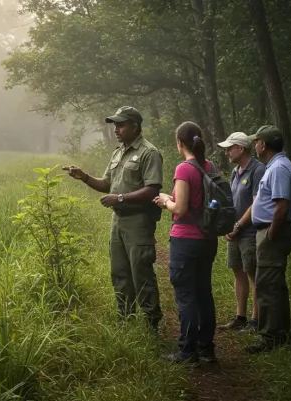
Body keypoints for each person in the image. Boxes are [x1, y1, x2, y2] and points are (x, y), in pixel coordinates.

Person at [63, 106, 163, 331]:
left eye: (121, 125)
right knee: (119, 273)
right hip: (118, 222)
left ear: (135, 127)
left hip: (138, 221)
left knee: (141, 273)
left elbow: (152, 190)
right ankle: (125, 320)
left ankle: (151, 325)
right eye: (115, 125)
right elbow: (107, 184)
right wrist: (84, 177)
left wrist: (120, 198)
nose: (116, 129)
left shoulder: (149, 153)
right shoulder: (118, 152)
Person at [153, 121, 218, 367]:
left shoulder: (184, 169)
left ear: (180, 143)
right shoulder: (210, 166)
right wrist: (173, 199)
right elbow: (197, 202)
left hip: (186, 239)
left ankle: (187, 352)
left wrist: (164, 202)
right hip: (207, 239)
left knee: (186, 295)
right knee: (204, 292)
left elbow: (180, 208)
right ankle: (206, 349)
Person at [236, 125, 291, 354]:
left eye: (257, 141)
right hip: (268, 230)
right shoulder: (274, 166)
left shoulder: (279, 168)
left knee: (267, 285)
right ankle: (280, 331)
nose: (255, 145)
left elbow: (282, 205)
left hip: (272, 232)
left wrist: (271, 232)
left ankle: (270, 337)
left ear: (264, 144)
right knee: (273, 284)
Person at [216, 132, 266, 332]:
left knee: (253, 275)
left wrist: (238, 226)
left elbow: (257, 204)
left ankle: (256, 320)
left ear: (241, 148)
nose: (227, 152)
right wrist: (228, 226)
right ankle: (241, 317)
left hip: (250, 232)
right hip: (234, 232)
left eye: (230, 148)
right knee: (238, 272)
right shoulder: (236, 171)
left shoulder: (257, 170)